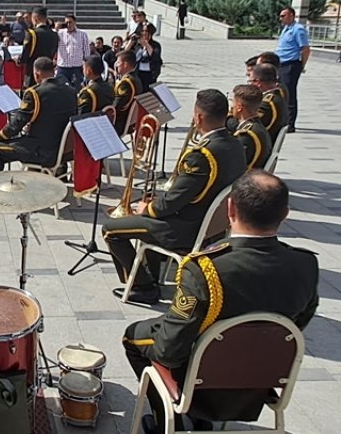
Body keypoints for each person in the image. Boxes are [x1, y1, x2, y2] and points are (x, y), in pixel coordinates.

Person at [123, 170, 319, 434]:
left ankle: (170, 426)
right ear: (285, 214)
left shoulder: (205, 269)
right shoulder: (306, 264)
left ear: (230, 209)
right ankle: (204, 419)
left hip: (200, 379)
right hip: (261, 376)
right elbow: (297, 323)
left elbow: (169, 350)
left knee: (133, 337)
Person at [102, 89, 246, 304]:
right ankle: (151, 274)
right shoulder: (236, 144)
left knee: (110, 229)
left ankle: (142, 286)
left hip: (186, 228)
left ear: (198, 117)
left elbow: (170, 203)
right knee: (149, 213)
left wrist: (147, 209)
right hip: (211, 225)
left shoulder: (201, 155)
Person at [0, 57, 75, 173]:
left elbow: (16, 124)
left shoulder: (35, 93)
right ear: (53, 71)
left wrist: (0, 135)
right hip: (65, 151)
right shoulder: (71, 91)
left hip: (41, 152)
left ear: (36, 75)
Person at [273, 7, 308, 133]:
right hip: (281, 65)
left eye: (283, 16)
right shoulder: (286, 29)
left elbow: (305, 49)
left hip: (291, 65)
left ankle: (290, 124)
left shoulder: (298, 30)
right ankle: (283, 121)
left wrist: (302, 66)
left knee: (289, 94)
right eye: (280, 16)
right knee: (281, 93)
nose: (280, 18)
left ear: (292, 16)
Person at [229, 84, 273, 170]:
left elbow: (233, 165)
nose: (231, 106)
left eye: (232, 102)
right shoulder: (256, 126)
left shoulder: (247, 135)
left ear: (239, 107)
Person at [20, 6, 58, 87]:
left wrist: (19, 60)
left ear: (35, 19)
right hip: (49, 73)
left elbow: (25, 55)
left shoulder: (32, 34)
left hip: (33, 74)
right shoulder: (54, 35)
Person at [250, 63, 288, 143]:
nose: (250, 84)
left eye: (251, 81)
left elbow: (252, 125)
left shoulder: (267, 103)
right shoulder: (278, 95)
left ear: (258, 82)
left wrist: (231, 113)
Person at [111, 50, 141, 136]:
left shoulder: (125, 83)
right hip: (129, 122)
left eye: (118, 62)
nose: (116, 65)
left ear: (125, 64)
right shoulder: (136, 78)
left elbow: (115, 107)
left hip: (119, 124)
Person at [55, 14, 89, 88]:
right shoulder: (59, 33)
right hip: (62, 67)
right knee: (60, 88)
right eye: (66, 23)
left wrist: (86, 65)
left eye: (70, 22)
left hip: (76, 68)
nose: (68, 24)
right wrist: (56, 28)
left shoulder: (82, 34)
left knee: (76, 89)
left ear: (75, 22)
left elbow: (86, 52)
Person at [134, 24, 163, 91]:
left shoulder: (155, 45)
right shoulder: (138, 45)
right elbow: (128, 53)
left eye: (146, 31)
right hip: (138, 72)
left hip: (150, 73)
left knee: (149, 93)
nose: (144, 33)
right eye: (143, 31)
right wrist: (131, 41)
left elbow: (154, 56)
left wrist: (146, 44)